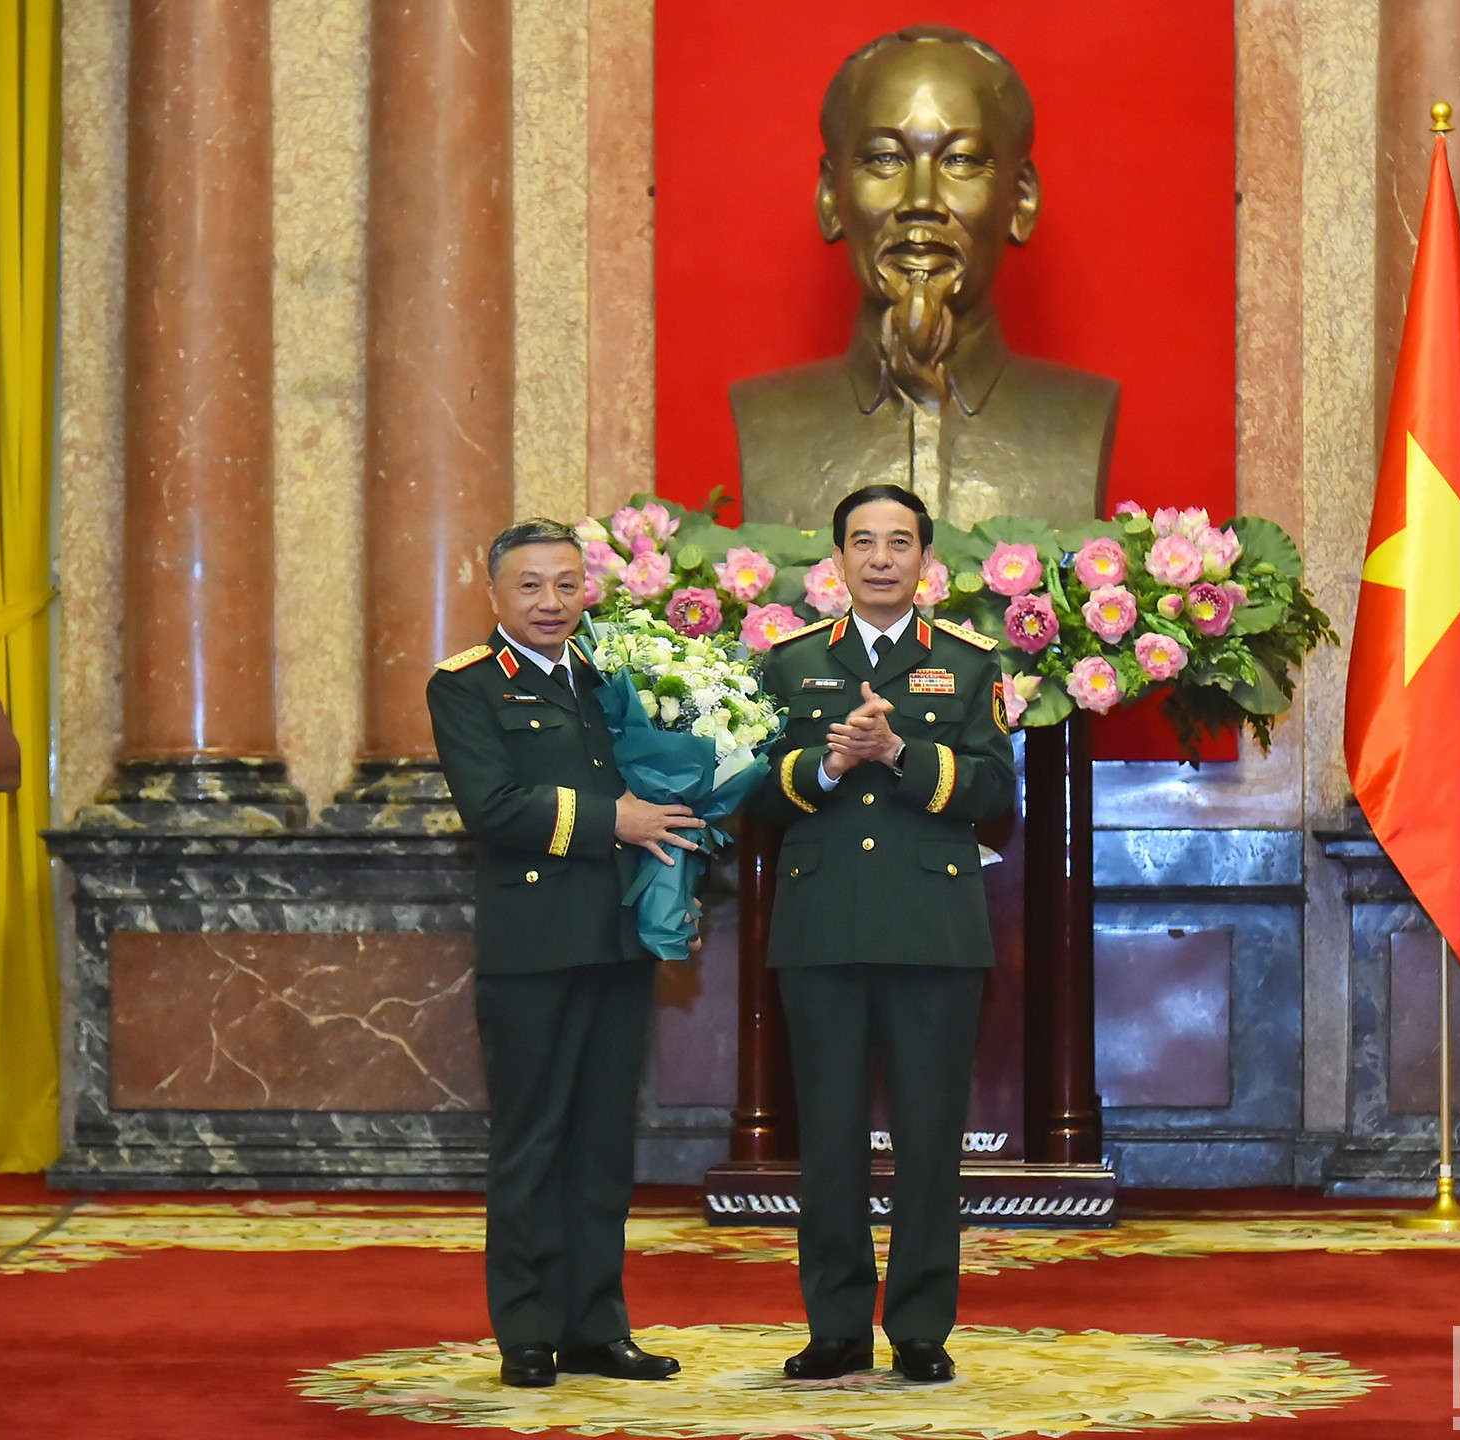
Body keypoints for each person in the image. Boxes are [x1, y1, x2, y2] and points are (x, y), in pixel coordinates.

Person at [426, 517, 706, 1389]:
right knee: (532, 1141)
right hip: (534, 945)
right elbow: (494, 805)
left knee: (601, 1146)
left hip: (615, 938)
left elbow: (653, 779)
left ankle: (597, 1326)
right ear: (495, 593)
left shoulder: (610, 675)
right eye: (531, 586)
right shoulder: (466, 685)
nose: (551, 602)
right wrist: (612, 819)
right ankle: (527, 1331)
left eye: (566, 585)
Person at [755, 484, 1017, 1383]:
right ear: (835, 559)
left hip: (932, 928)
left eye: (897, 542)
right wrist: (827, 763)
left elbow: (994, 797)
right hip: (821, 927)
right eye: (861, 541)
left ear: (924, 560)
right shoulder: (790, 665)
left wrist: (900, 754)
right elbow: (750, 795)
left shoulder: (971, 664)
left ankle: (919, 1330)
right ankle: (834, 1327)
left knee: (929, 1139)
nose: (879, 558)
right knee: (826, 1138)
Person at [732, 24, 1117, 530]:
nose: (920, 202)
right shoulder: (769, 420)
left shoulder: (1081, 418)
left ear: (1021, 200)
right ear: (831, 197)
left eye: (959, 160)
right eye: (885, 159)